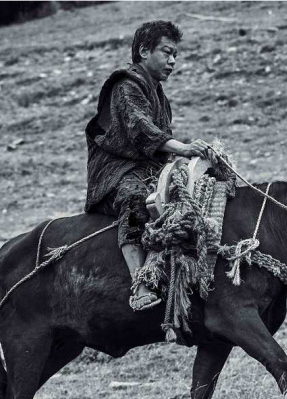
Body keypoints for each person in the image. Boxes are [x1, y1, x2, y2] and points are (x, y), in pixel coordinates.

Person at [83, 21, 212, 311]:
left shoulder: (159, 96)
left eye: (176, 54)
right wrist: (184, 148)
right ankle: (140, 283)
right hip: (117, 173)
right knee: (134, 197)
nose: (173, 60)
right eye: (167, 52)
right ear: (143, 51)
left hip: (149, 171)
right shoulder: (126, 86)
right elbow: (140, 129)